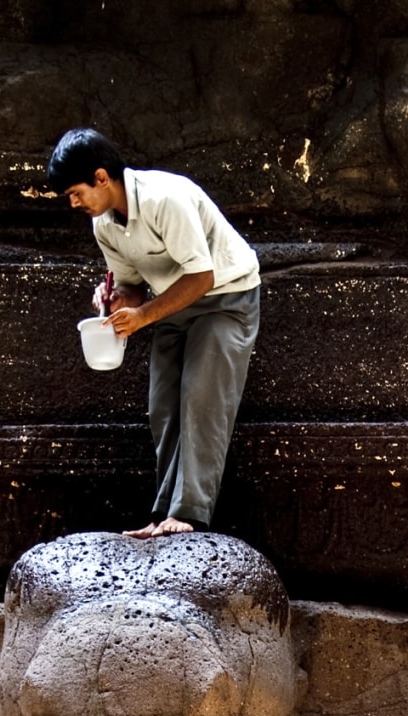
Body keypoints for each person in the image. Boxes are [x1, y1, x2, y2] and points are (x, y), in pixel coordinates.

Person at [50, 128, 262, 541]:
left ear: (101, 177)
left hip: (225, 297)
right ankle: (163, 512)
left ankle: (190, 514)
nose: (74, 203)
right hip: (171, 304)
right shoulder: (104, 225)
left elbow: (202, 276)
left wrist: (143, 316)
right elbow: (131, 286)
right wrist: (115, 299)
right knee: (162, 405)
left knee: (201, 395)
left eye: (76, 192)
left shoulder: (164, 197)